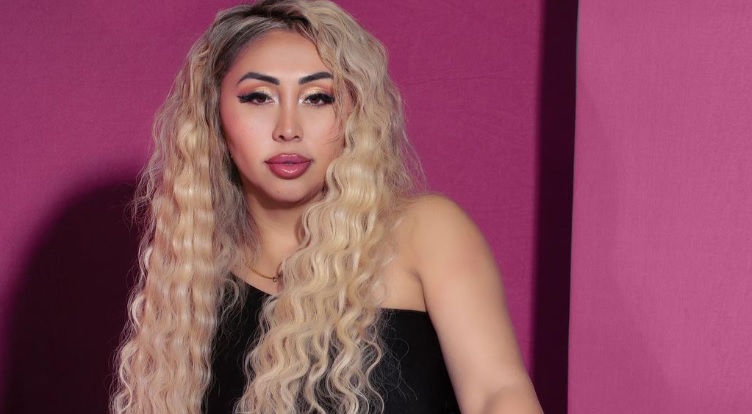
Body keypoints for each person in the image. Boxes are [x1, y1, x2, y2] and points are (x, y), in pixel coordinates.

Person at [111, 0, 543, 413]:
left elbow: (496, 393)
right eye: (258, 97)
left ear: (354, 113)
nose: (288, 129)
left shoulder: (424, 233)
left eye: (318, 97)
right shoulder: (191, 277)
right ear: (215, 117)